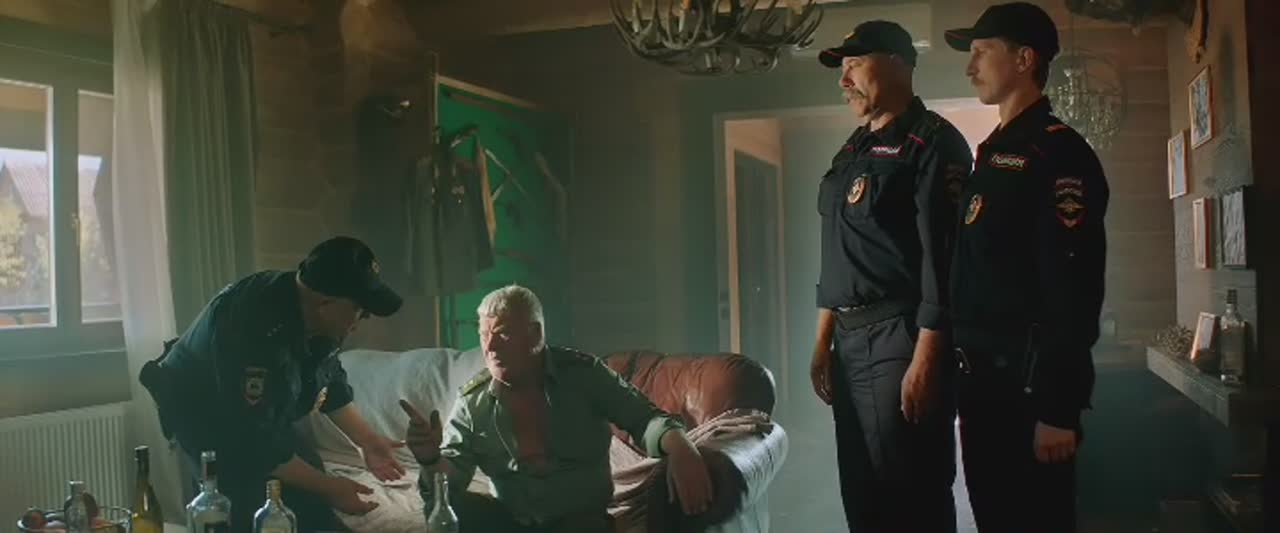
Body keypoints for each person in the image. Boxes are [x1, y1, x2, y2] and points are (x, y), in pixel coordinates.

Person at [944, 3, 1109, 531]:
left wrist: (1059, 408)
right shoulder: (995, 154)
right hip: (983, 388)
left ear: (1023, 59)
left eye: (981, 52)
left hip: (1029, 390)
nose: (970, 68)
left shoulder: (1057, 153)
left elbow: (1073, 284)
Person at [810, 20, 974, 532]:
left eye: (855, 64)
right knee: (862, 495)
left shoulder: (935, 144)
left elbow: (945, 261)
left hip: (901, 337)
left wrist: (927, 359)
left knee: (912, 492)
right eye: (842, 68)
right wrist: (822, 341)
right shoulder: (852, 149)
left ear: (899, 63)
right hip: (848, 340)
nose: (844, 80)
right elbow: (836, 253)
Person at [139, 236, 409, 531]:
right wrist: (330, 487)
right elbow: (256, 442)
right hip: (204, 413)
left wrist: (368, 440)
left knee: (313, 504)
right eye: (359, 308)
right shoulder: (254, 326)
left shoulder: (317, 316)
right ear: (325, 303)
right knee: (245, 511)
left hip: (258, 418)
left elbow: (330, 381)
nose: (365, 317)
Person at [400, 284, 713, 533]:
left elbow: (645, 418)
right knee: (447, 509)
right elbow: (449, 483)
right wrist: (429, 458)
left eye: (503, 334)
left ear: (535, 335)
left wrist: (681, 447)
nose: (490, 347)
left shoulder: (584, 376)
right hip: (512, 521)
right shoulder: (473, 402)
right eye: (484, 335)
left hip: (579, 522)